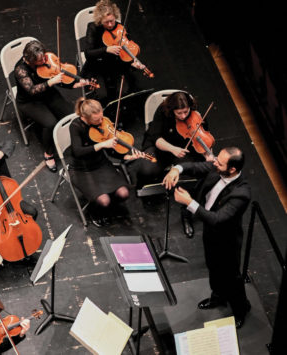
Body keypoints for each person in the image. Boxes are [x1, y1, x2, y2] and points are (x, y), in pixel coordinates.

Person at [163, 146, 251, 328]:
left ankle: (241, 309)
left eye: (219, 162)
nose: (214, 162)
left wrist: (189, 202)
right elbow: (193, 167)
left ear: (232, 169)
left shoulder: (241, 193)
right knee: (213, 266)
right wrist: (175, 169)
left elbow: (218, 219)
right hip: (210, 232)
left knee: (231, 277)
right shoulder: (218, 168)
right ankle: (217, 297)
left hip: (227, 240)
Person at [137, 91, 212, 238]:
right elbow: (156, 138)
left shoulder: (196, 116)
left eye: (186, 112)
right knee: (147, 169)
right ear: (172, 110)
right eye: (179, 113)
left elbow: (204, 137)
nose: (183, 116)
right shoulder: (163, 112)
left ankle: (186, 214)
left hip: (185, 150)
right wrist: (173, 149)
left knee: (192, 174)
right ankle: (143, 189)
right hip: (164, 147)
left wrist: (208, 154)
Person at [14, 39, 88, 172]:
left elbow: (53, 74)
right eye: (40, 60)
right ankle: (48, 154)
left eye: (44, 57)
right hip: (29, 101)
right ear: (30, 60)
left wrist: (73, 84)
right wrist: (51, 82)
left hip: (47, 93)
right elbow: (31, 90)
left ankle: (78, 143)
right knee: (50, 123)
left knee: (70, 114)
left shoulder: (45, 59)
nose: (44, 61)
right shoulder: (20, 69)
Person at [69, 97, 143, 227]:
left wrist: (126, 157)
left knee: (124, 193)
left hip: (101, 163)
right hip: (82, 169)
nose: (101, 121)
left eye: (101, 116)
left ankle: (107, 203)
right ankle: (95, 212)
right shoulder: (75, 126)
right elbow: (78, 152)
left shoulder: (103, 123)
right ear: (85, 117)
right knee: (104, 201)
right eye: (96, 119)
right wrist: (102, 145)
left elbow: (111, 149)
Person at [81, 0, 145, 107]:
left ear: (115, 16)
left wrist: (132, 62)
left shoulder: (121, 28)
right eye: (106, 22)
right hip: (97, 66)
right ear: (100, 20)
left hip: (116, 66)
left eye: (112, 21)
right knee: (102, 95)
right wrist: (106, 49)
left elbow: (127, 50)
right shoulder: (93, 27)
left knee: (124, 92)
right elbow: (88, 53)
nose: (110, 25)